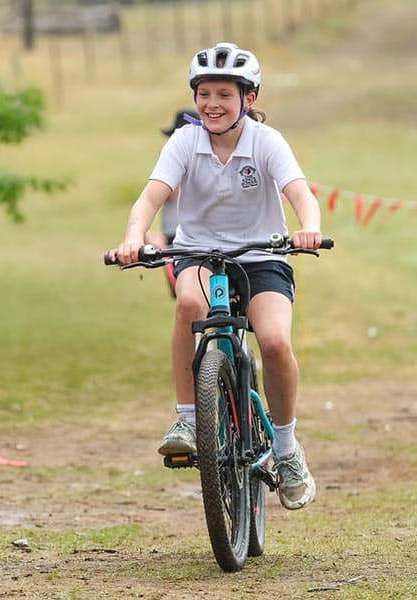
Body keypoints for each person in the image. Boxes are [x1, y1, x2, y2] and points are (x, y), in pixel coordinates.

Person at [109, 42, 323, 510]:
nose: (212, 103)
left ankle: (286, 448)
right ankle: (188, 418)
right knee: (188, 304)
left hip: (262, 255)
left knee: (274, 342)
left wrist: (309, 229)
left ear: (248, 98)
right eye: (204, 92)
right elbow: (149, 199)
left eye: (224, 93)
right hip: (199, 253)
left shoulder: (267, 142)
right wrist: (133, 237)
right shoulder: (184, 141)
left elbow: (300, 193)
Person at [145, 109, 200, 297]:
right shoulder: (171, 167)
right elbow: (165, 193)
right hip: (172, 242)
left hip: (203, 240)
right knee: (188, 299)